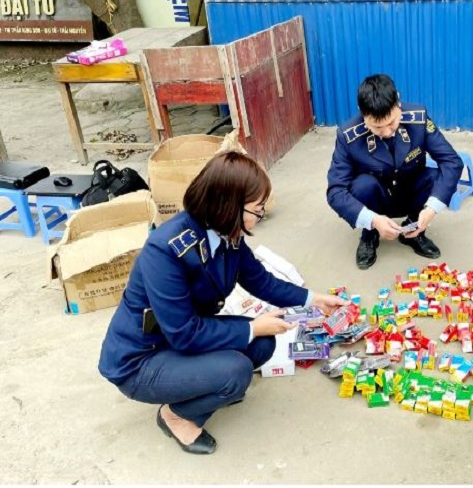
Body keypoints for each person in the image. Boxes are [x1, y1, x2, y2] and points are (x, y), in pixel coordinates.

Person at [98, 151, 346, 455]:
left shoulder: (226, 232)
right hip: (143, 358)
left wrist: (313, 299)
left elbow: (259, 280)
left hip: (182, 338)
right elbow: (184, 333)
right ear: (228, 204)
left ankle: (207, 384)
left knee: (262, 345)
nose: (260, 217)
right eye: (256, 210)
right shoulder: (164, 252)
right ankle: (176, 415)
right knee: (237, 371)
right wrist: (253, 326)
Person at [326, 74, 464, 270]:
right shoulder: (348, 136)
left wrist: (433, 208)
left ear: (398, 102)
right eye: (377, 127)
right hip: (377, 201)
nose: (388, 132)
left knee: (433, 177)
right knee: (363, 185)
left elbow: (451, 161)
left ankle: (415, 230)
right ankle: (369, 235)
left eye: (391, 122)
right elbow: (335, 191)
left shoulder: (418, 118)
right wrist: (371, 219)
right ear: (363, 115)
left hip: (411, 193)